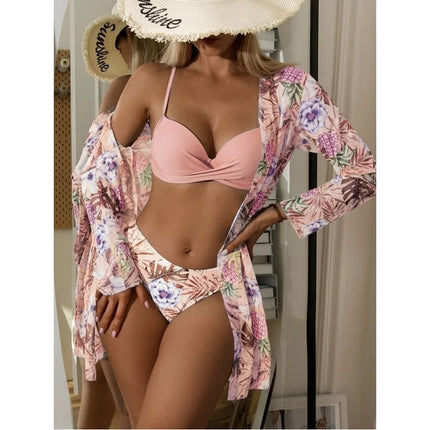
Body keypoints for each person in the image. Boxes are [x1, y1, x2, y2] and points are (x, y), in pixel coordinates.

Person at [76, 0, 376, 428]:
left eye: (216, 15)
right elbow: (93, 175)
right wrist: (117, 267)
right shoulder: (152, 80)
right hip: (135, 277)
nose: (206, 30)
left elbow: (364, 172)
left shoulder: (288, 91)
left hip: (216, 285)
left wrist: (279, 212)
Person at [72, 8, 164, 429]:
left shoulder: (143, 86)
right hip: (122, 261)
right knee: (129, 408)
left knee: (108, 403)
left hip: (117, 259)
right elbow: (93, 181)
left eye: (122, 40)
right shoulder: (128, 86)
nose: (121, 49)